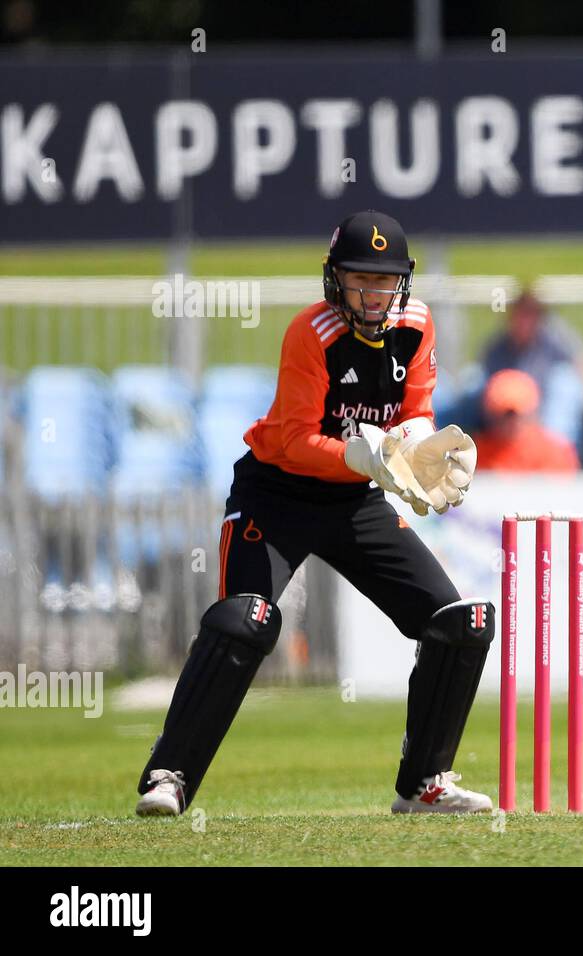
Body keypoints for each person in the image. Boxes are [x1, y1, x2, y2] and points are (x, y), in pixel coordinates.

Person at [134, 210, 492, 817]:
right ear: (334, 279)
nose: (372, 294)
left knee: (464, 621)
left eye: (384, 282)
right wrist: (368, 455)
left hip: (355, 502)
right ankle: (169, 775)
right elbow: (298, 441)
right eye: (359, 279)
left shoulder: (418, 325)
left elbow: (415, 412)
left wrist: (419, 452)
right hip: (275, 496)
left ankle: (424, 783)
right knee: (245, 620)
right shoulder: (313, 331)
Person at [480, 288, 583, 464]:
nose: (525, 322)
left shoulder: (554, 338)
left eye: (531, 315)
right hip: (508, 410)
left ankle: (560, 454)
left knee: (564, 382)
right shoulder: (497, 347)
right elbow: (494, 392)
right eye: (521, 315)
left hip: (545, 409)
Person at [475, 369, 580, 474]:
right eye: (503, 414)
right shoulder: (474, 452)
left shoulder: (554, 452)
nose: (509, 422)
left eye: (514, 414)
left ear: (531, 413)